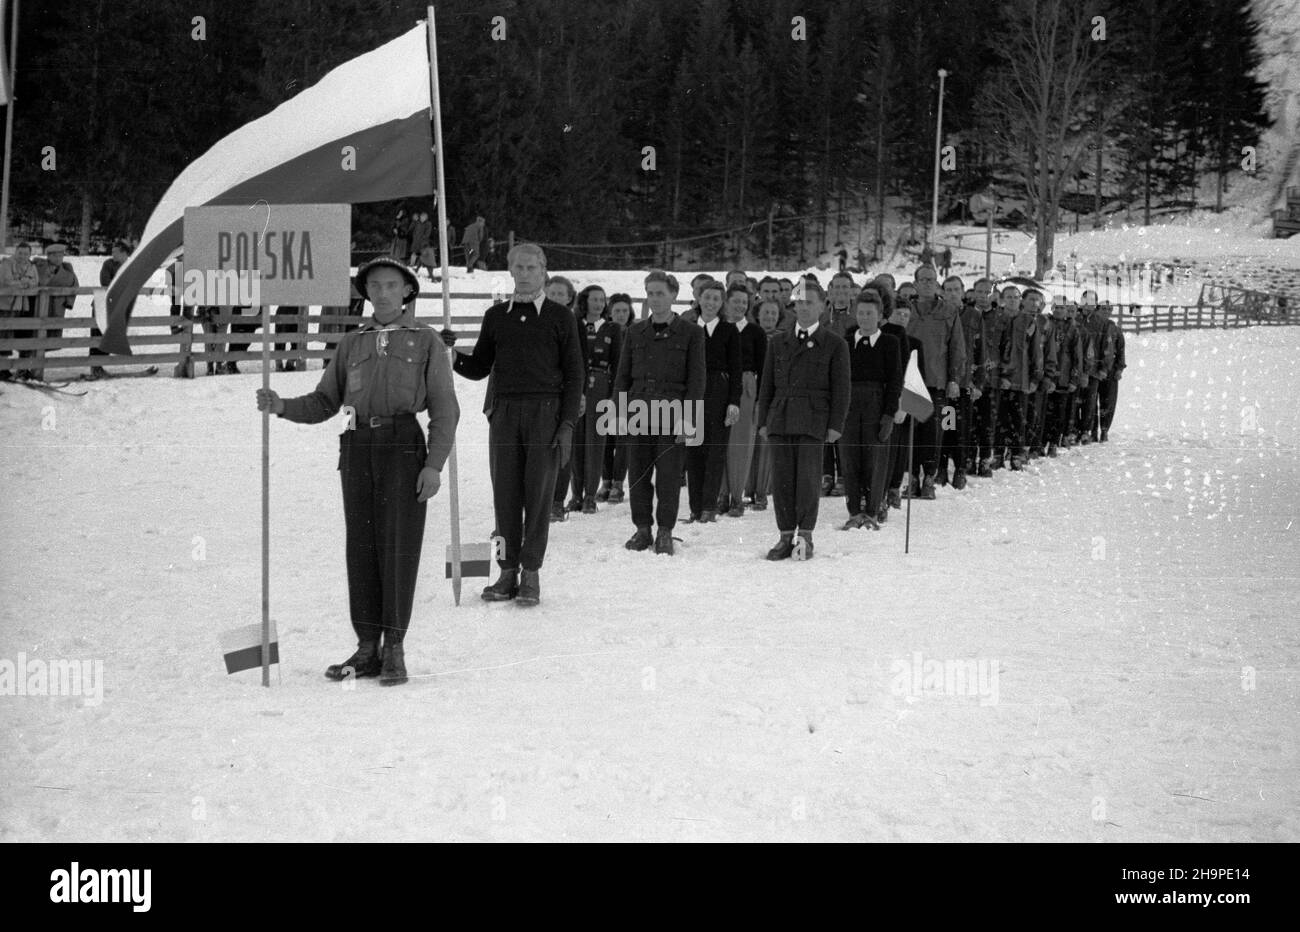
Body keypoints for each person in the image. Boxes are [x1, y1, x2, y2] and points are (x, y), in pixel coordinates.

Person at [254, 257, 459, 686]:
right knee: (361, 548)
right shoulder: (352, 343)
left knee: (397, 547)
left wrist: (434, 465)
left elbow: (445, 408)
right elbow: (327, 401)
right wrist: (283, 406)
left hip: (403, 448)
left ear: (407, 291)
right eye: (374, 286)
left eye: (391, 285)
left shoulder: (426, 341)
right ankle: (367, 648)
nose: (382, 292)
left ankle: (395, 650)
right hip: (357, 446)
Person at [443, 243, 583, 605]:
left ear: (543, 271)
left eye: (531, 268)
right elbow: (478, 368)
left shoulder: (560, 317)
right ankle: (506, 571)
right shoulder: (496, 317)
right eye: (518, 267)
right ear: (510, 271)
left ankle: (531, 572)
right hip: (504, 414)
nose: (524, 274)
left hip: (545, 415)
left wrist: (567, 423)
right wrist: (451, 355)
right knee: (505, 495)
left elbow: (574, 374)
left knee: (538, 496)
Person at [755, 280, 850, 560]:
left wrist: (835, 425)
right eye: (799, 303)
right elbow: (767, 385)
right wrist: (763, 421)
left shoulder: (834, 344)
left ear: (823, 306)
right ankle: (785, 536)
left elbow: (841, 389)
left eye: (810, 302)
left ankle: (804, 537)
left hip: (813, 419)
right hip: (781, 418)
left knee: (807, 480)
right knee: (783, 479)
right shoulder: (779, 342)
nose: (804, 308)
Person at [613, 269, 706, 556]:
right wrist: (617, 414)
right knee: (638, 474)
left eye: (661, 294)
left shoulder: (692, 333)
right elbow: (623, 376)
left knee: (668, 476)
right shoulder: (635, 331)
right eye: (651, 293)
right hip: (639, 410)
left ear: (674, 296)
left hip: (674, 411)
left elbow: (697, 379)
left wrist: (689, 421)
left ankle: (665, 530)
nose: (655, 299)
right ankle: (642, 528)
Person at [838, 290, 901, 530]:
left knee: (875, 458)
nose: (865, 318)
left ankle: (873, 509)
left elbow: (895, 380)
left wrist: (888, 413)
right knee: (850, 456)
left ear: (880, 315)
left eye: (870, 313)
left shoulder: (889, 342)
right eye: (861, 313)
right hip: (849, 404)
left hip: (876, 402)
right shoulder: (845, 341)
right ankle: (854, 510)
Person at [904, 265, 964, 499]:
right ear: (916, 283)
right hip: (910, 381)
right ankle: (913, 478)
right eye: (923, 280)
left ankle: (929, 476)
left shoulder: (948, 311)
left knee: (933, 434)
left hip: (936, 381)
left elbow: (957, 348)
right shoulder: (905, 310)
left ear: (937, 283)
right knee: (910, 433)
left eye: (932, 279)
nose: (927, 283)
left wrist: (954, 379)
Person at [683, 281, 740, 524]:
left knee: (715, 452)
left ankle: (709, 507)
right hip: (692, 391)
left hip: (719, 390)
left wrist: (733, 402)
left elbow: (737, 369)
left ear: (722, 303)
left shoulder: (729, 330)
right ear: (698, 298)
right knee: (693, 451)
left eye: (716, 299)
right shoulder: (687, 328)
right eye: (707, 297)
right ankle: (695, 508)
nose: (710, 303)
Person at [572, 284, 621, 512]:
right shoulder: (574, 324)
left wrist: (613, 395)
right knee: (575, 441)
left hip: (600, 386)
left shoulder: (612, 329)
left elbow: (619, 363)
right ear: (585, 301)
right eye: (595, 299)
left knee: (596, 440)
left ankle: (591, 494)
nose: (599, 304)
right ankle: (576, 494)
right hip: (576, 385)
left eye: (602, 300)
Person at [719, 284, 765, 517]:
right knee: (719, 441)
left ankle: (737, 496)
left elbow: (763, 367)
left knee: (739, 443)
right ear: (726, 302)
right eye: (735, 301)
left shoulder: (754, 332)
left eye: (744, 303)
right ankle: (720, 494)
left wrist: (759, 400)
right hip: (720, 385)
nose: (739, 306)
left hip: (746, 386)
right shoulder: (718, 328)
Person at [997, 287, 1043, 470]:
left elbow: (1036, 352)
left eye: (1016, 297)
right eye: (1008, 297)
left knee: (1019, 419)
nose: (1012, 301)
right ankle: (998, 454)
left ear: (1020, 301)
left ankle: (1017, 454)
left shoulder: (1028, 322)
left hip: (1021, 379)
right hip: (998, 380)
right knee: (999, 419)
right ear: (1002, 299)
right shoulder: (996, 320)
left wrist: (1036, 377)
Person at [744, 298, 782, 511]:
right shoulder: (750, 334)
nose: (769, 317)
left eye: (773, 314)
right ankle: (748, 490)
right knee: (749, 442)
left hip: (772, 395)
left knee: (765, 443)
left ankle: (762, 492)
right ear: (758, 314)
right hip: (750, 392)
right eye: (766, 313)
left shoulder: (783, 338)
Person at [598, 293, 634, 504]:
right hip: (605, 389)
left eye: (625, 311)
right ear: (610, 312)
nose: (621, 315)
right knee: (605, 437)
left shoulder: (635, 332)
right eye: (617, 310)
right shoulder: (604, 332)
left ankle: (618, 483)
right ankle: (606, 480)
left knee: (622, 437)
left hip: (627, 391)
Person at [30, 243, 79, 382]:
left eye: (61, 255)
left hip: (56, 307)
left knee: (48, 338)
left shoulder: (68, 270)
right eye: (55, 255)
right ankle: (26, 369)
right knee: (32, 338)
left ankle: (37, 370)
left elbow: (75, 286)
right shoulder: (38, 266)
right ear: (49, 256)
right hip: (37, 307)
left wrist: (68, 302)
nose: (58, 258)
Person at [0, 242, 39, 380]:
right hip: (6, 305)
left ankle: (21, 369)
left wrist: (21, 282)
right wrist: (24, 282)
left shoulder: (31, 266)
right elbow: (6, 281)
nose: (23, 256)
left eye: (26, 253)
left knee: (23, 334)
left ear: (30, 254)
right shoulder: (6, 264)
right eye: (20, 253)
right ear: (15, 252)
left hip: (23, 305)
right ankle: (2, 368)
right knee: (4, 336)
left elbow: (35, 282)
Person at [1096, 302, 1124, 441]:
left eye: (1109, 309)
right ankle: (1090, 430)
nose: (1106, 311)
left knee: (1108, 401)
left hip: (1111, 370)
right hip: (1094, 369)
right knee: (1090, 402)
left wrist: (1119, 368)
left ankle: (1105, 429)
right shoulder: (1093, 327)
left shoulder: (1115, 329)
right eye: (1103, 309)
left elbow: (1120, 350)